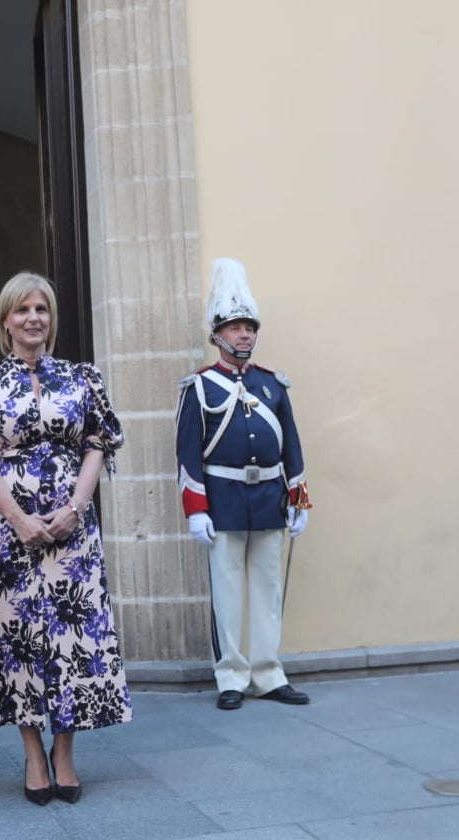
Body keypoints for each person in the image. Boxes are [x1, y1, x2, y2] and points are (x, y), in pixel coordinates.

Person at [0, 271, 132, 807]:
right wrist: (17, 518)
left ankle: (65, 752)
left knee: (72, 641)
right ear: (5, 319)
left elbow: (100, 442)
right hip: (10, 536)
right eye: (23, 309)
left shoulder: (82, 378)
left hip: (71, 536)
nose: (34, 318)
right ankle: (33, 754)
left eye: (43, 310)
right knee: (19, 641)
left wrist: (76, 508)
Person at [175, 257, 312, 712]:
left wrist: (298, 500)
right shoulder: (199, 388)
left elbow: (291, 445)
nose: (245, 335)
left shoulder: (273, 385)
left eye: (249, 327)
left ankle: (269, 674)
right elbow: (188, 453)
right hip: (225, 500)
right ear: (218, 335)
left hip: (269, 499)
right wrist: (196, 510)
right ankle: (231, 676)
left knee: (267, 591)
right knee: (228, 592)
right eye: (235, 327)